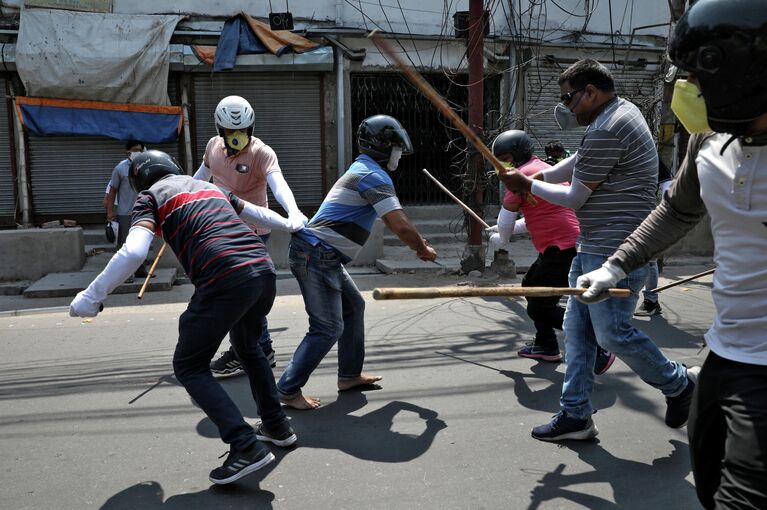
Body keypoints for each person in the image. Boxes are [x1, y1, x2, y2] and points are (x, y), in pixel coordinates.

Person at [578, 1, 767, 506]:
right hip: (725, 354)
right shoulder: (709, 142)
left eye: (696, 75)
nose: (688, 90)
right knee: (707, 484)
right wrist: (615, 264)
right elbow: (677, 213)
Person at [70, 151, 305, 485]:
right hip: (262, 270)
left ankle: (245, 445)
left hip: (224, 277)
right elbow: (255, 213)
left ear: (139, 181)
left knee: (190, 366)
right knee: (248, 348)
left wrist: (90, 297)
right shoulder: (206, 187)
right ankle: (277, 426)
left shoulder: (150, 198)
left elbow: (134, 252)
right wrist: (292, 222)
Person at [499, 58, 697, 442]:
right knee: (578, 335)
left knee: (612, 335)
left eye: (569, 99)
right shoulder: (622, 113)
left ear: (590, 92)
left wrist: (528, 187)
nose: (567, 109)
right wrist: (535, 177)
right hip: (592, 248)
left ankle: (679, 384)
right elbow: (576, 163)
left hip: (615, 251)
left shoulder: (608, 128)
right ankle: (575, 415)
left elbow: (573, 197)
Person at [278, 115, 437, 410]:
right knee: (326, 327)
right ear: (381, 146)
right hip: (316, 254)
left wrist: (419, 243)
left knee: (354, 307)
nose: (398, 155)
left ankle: (349, 375)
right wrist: (422, 249)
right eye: (395, 148)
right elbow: (400, 226)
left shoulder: (365, 170)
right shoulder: (372, 175)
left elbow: (399, 223)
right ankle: (287, 390)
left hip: (322, 254)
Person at [195, 95, 308, 377]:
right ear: (220, 131)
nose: (238, 137)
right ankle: (254, 349)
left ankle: (253, 350)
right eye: (231, 132)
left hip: (254, 232)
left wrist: (293, 212)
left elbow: (278, 185)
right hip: (220, 228)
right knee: (238, 294)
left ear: (252, 128)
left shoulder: (261, 152)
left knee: (242, 294)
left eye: (243, 131)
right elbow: (201, 176)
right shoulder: (212, 147)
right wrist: (180, 197)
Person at [487, 129, 615, 374]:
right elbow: (538, 216)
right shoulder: (542, 169)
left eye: (505, 158)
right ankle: (546, 345)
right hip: (563, 245)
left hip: (560, 248)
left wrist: (501, 237)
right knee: (529, 286)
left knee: (540, 306)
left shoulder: (519, 175)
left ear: (516, 155)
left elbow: (506, 221)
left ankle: (599, 347)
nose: (502, 164)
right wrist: (505, 230)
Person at [103, 141, 149, 280]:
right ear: (127, 152)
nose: (138, 152)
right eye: (135, 150)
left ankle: (141, 270)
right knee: (125, 245)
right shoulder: (120, 169)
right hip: (125, 213)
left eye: (140, 150)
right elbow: (112, 191)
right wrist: (110, 212)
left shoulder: (145, 166)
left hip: (142, 212)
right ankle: (126, 274)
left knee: (142, 242)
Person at [634, 159, 673, 317]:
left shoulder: (650, 156)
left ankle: (651, 301)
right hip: (618, 216)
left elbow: (667, 184)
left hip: (644, 216)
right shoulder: (614, 151)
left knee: (649, 260)